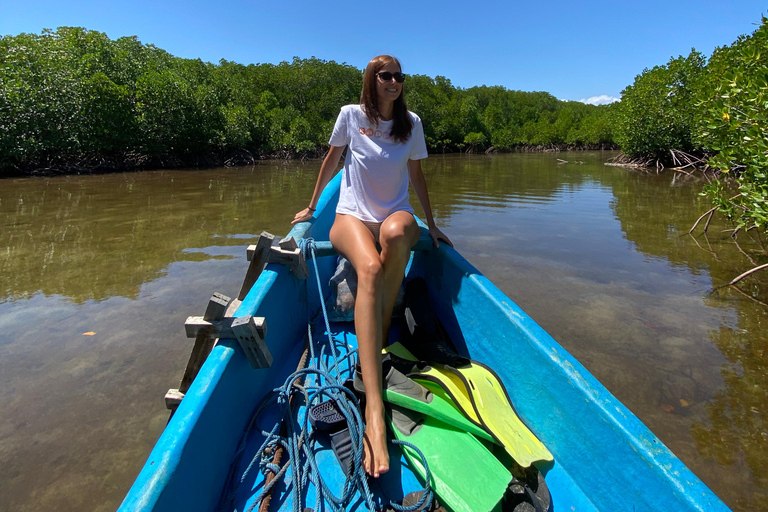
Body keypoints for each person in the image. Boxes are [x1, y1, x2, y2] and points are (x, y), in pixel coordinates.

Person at [292, 55, 451, 478]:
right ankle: (375, 412)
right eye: (386, 76)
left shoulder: (411, 122)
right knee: (371, 270)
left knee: (401, 235)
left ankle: (377, 340)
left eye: (399, 76)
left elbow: (416, 176)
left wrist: (432, 225)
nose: (394, 81)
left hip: (392, 214)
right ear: (372, 80)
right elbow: (331, 160)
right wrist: (311, 207)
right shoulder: (351, 116)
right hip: (350, 218)